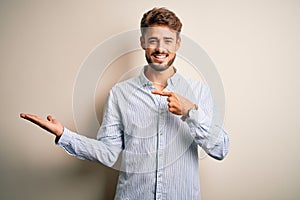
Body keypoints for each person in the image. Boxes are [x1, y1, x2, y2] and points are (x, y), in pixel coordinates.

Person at [20, 7, 229, 200]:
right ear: (142, 42)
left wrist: (190, 112)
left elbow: (220, 149)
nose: (160, 48)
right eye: (153, 40)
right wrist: (64, 135)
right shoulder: (120, 94)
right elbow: (109, 153)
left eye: (167, 40)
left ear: (178, 43)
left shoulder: (199, 92)